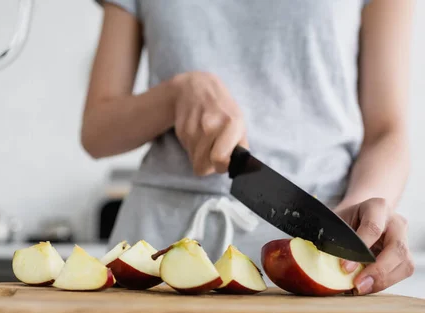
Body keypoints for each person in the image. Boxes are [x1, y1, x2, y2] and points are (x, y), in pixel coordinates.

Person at [81, 0, 416, 295]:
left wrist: (360, 214)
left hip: (317, 248)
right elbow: (97, 131)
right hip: (155, 253)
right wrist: (176, 94)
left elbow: (387, 131)